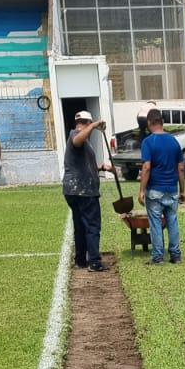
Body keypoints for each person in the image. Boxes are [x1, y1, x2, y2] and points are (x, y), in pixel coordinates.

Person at [61, 109, 109, 273]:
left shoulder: (84, 143)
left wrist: (102, 167)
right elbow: (77, 140)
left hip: (74, 189)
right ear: (88, 123)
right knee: (92, 225)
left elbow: (85, 167)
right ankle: (94, 261)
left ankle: (80, 259)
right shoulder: (76, 134)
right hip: (83, 190)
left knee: (80, 225)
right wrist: (95, 125)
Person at [138, 108, 185, 265]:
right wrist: (183, 190)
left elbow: (146, 167)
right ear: (162, 122)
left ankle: (158, 257)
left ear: (149, 123)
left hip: (155, 191)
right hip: (172, 190)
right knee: (172, 221)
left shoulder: (148, 142)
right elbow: (180, 168)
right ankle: (176, 255)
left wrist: (141, 191)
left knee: (155, 223)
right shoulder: (174, 141)